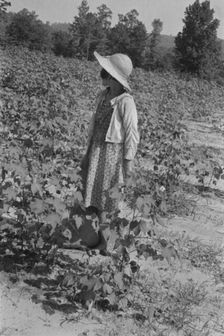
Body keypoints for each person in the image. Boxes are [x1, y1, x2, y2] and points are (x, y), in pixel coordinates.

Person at [81, 51, 139, 222]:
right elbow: (95, 126)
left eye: (105, 72)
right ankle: (91, 234)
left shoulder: (126, 102)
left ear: (113, 77)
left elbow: (132, 133)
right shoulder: (102, 96)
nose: (101, 74)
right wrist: (86, 154)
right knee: (90, 193)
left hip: (111, 155)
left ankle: (107, 241)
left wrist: (128, 162)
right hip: (95, 149)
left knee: (107, 196)